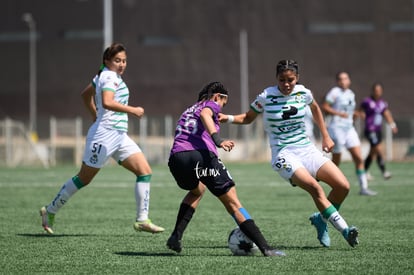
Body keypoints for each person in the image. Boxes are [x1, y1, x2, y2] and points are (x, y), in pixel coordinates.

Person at [219, 60, 359, 248]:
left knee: (343, 186)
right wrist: (225, 118)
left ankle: (321, 220)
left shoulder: (304, 93)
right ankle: (345, 230)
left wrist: (326, 136)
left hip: (307, 149)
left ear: (297, 78)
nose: (286, 84)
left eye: (290, 80)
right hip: (284, 154)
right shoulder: (266, 96)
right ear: (276, 78)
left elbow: (316, 108)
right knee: (315, 189)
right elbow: (247, 118)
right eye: (282, 80)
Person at [39, 42, 164, 234]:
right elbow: (107, 102)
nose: (122, 64)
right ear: (107, 61)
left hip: (119, 136)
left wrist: (93, 113)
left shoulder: (103, 76)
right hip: (104, 136)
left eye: (124, 61)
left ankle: (142, 220)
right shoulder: (108, 76)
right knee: (83, 179)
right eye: (117, 60)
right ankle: (50, 210)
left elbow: (85, 95)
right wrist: (133, 110)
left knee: (144, 171)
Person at [166, 81, 285, 256]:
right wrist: (217, 139)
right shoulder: (210, 104)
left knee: (197, 190)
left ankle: (175, 236)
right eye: (222, 103)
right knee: (233, 203)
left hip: (177, 159)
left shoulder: (189, 109)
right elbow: (207, 114)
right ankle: (266, 248)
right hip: (202, 157)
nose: (219, 108)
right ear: (217, 97)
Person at [321, 72, 377, 196]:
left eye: (345, 78)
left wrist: (357, 114)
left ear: (349, 80)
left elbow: (349, 112)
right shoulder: (334, 92)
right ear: (337, 81)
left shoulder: (351, 94)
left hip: (349, 129)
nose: (343, 81)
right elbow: (325, 106)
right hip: (336, 128)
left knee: (358, 158)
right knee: (336, 161)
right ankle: (332, 183)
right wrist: (339, 114)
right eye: (340, 79)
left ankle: (363, 188)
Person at [360, 82, 398, 180]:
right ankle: (384, 171)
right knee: (378, 149)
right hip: (370, 130)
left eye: (379, 91)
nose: (378, 92)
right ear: (373, 91)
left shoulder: (382, 103)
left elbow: (386, 114)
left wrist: (392, 125)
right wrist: (361, 114)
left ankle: (364, 171)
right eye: (376, 90)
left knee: (373, 153)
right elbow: (359, 110)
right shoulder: (367, 101)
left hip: (378, 130)